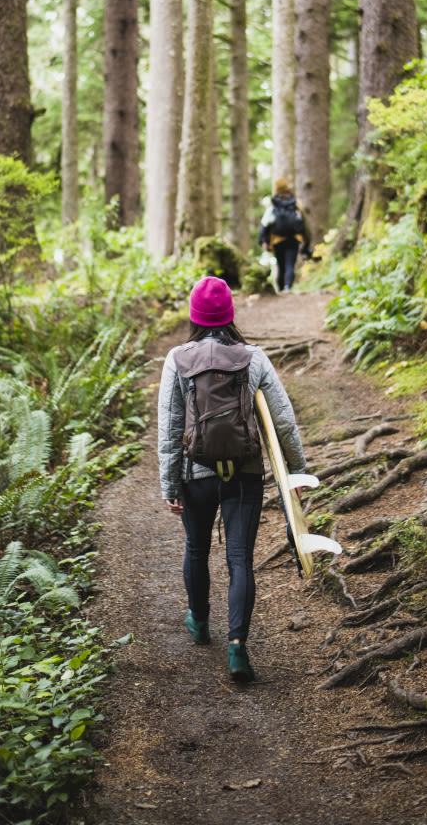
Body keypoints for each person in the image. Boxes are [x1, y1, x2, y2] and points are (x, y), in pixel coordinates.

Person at [158, 275, 307, 683]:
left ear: (194, 316)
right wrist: (297, 473)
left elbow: (170, 429)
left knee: (196, 547)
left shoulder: (177, 360)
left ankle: (200, 622)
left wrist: (170, 485)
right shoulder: (253, 357)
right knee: (239, 558)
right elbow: (283, 422)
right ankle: (238, 647)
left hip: (196, 476)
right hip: (243, 474)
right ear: (229, 314)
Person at [258, 176, 312, 292]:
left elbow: (265, 223)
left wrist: (263, 240)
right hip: (293, 239)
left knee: (281, 265)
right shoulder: (296, 203)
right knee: (290, 264)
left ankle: (281, 288)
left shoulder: (273, 205)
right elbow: (305, 224)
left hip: (277, 240)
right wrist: (307, 242)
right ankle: (288, 287)